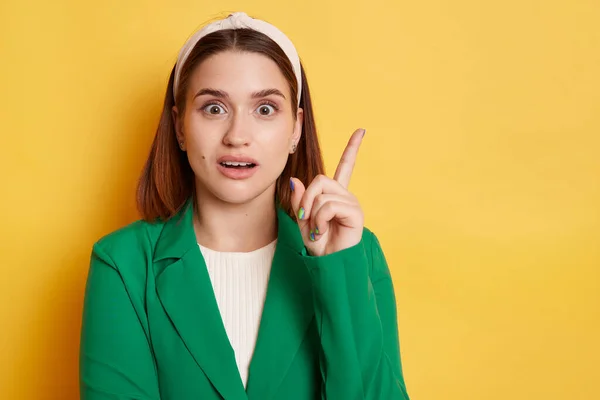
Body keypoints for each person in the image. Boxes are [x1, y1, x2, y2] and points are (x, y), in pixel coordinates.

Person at [79, 11, 410, 400]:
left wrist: (336, 271)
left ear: (296, 129)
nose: (237, 136)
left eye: (265, 109)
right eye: (214, 108)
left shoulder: (358, 255)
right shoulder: (122, 264)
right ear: (181, 127)